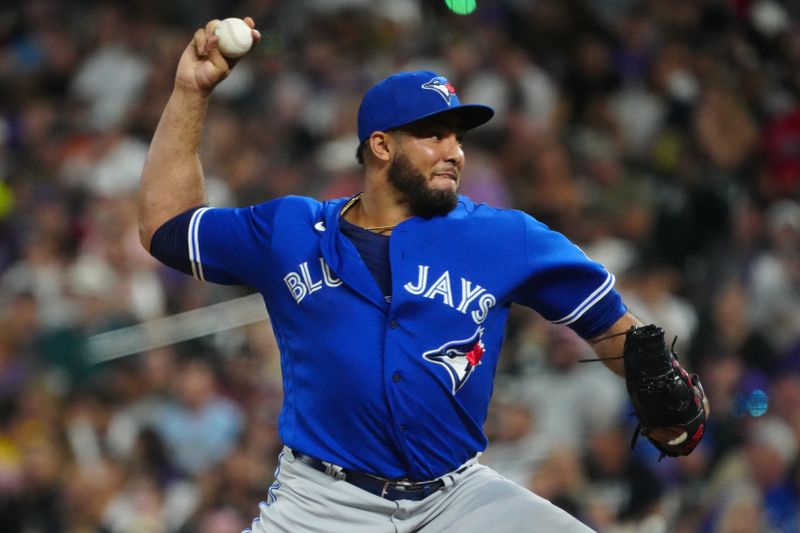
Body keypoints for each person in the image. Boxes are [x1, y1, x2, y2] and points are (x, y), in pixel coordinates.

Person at [139, 18, 703, 533]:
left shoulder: (505, 238)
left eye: (458, 137)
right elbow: (165, 225)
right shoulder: (289, 229)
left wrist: (666, 395)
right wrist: (191, 92)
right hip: (321, 505)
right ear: (381, 146)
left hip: (457, 499)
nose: (454, 151)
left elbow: (612, 328)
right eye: (434, 134)